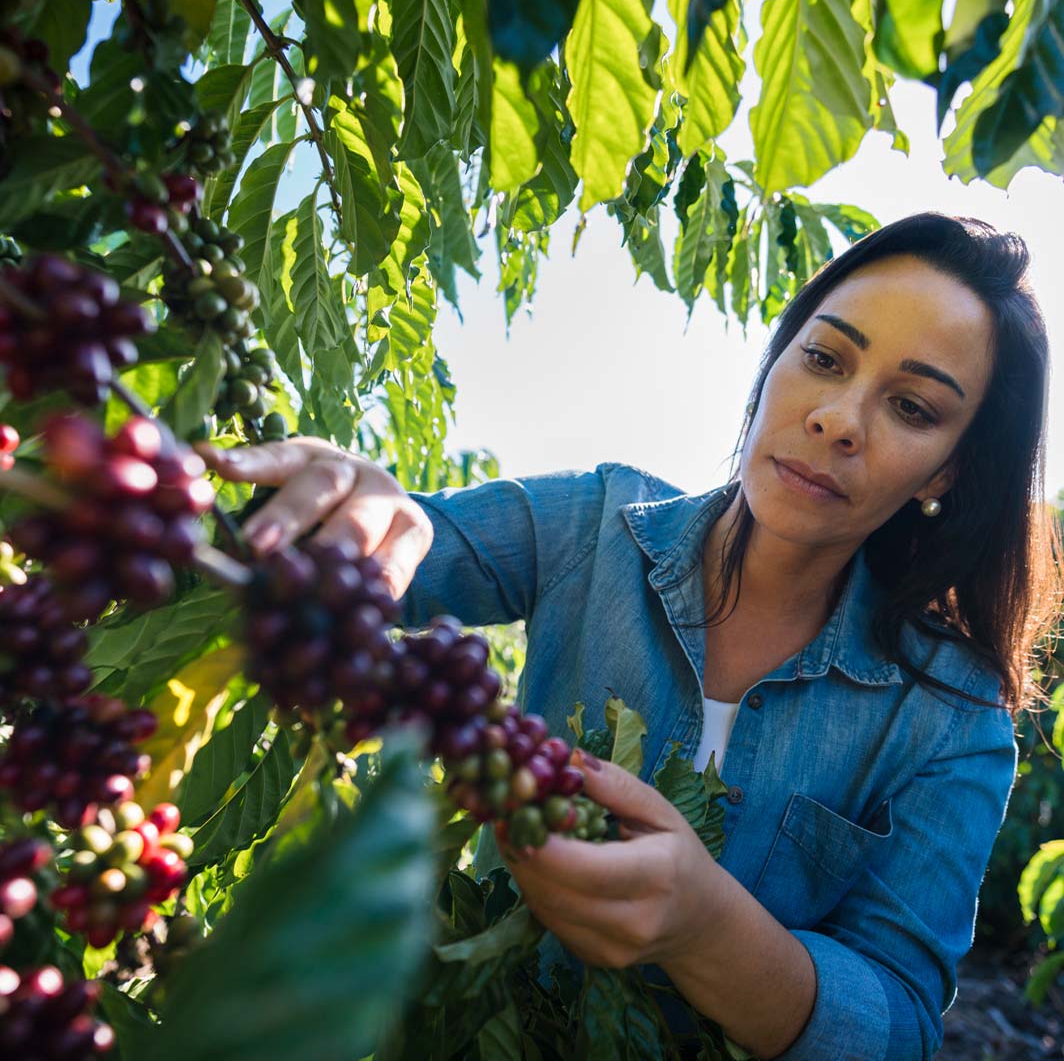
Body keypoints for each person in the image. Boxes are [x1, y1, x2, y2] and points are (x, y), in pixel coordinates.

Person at [198, 212, 1063, 1060]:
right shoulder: (595, 524)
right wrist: (362, 513)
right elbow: (407, 550)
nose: (839, 419)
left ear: (946, 469)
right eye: (825, 358)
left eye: (912, 407)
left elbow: (900, 1020)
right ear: (776, 365)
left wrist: (707, 928)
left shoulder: (952, 717)